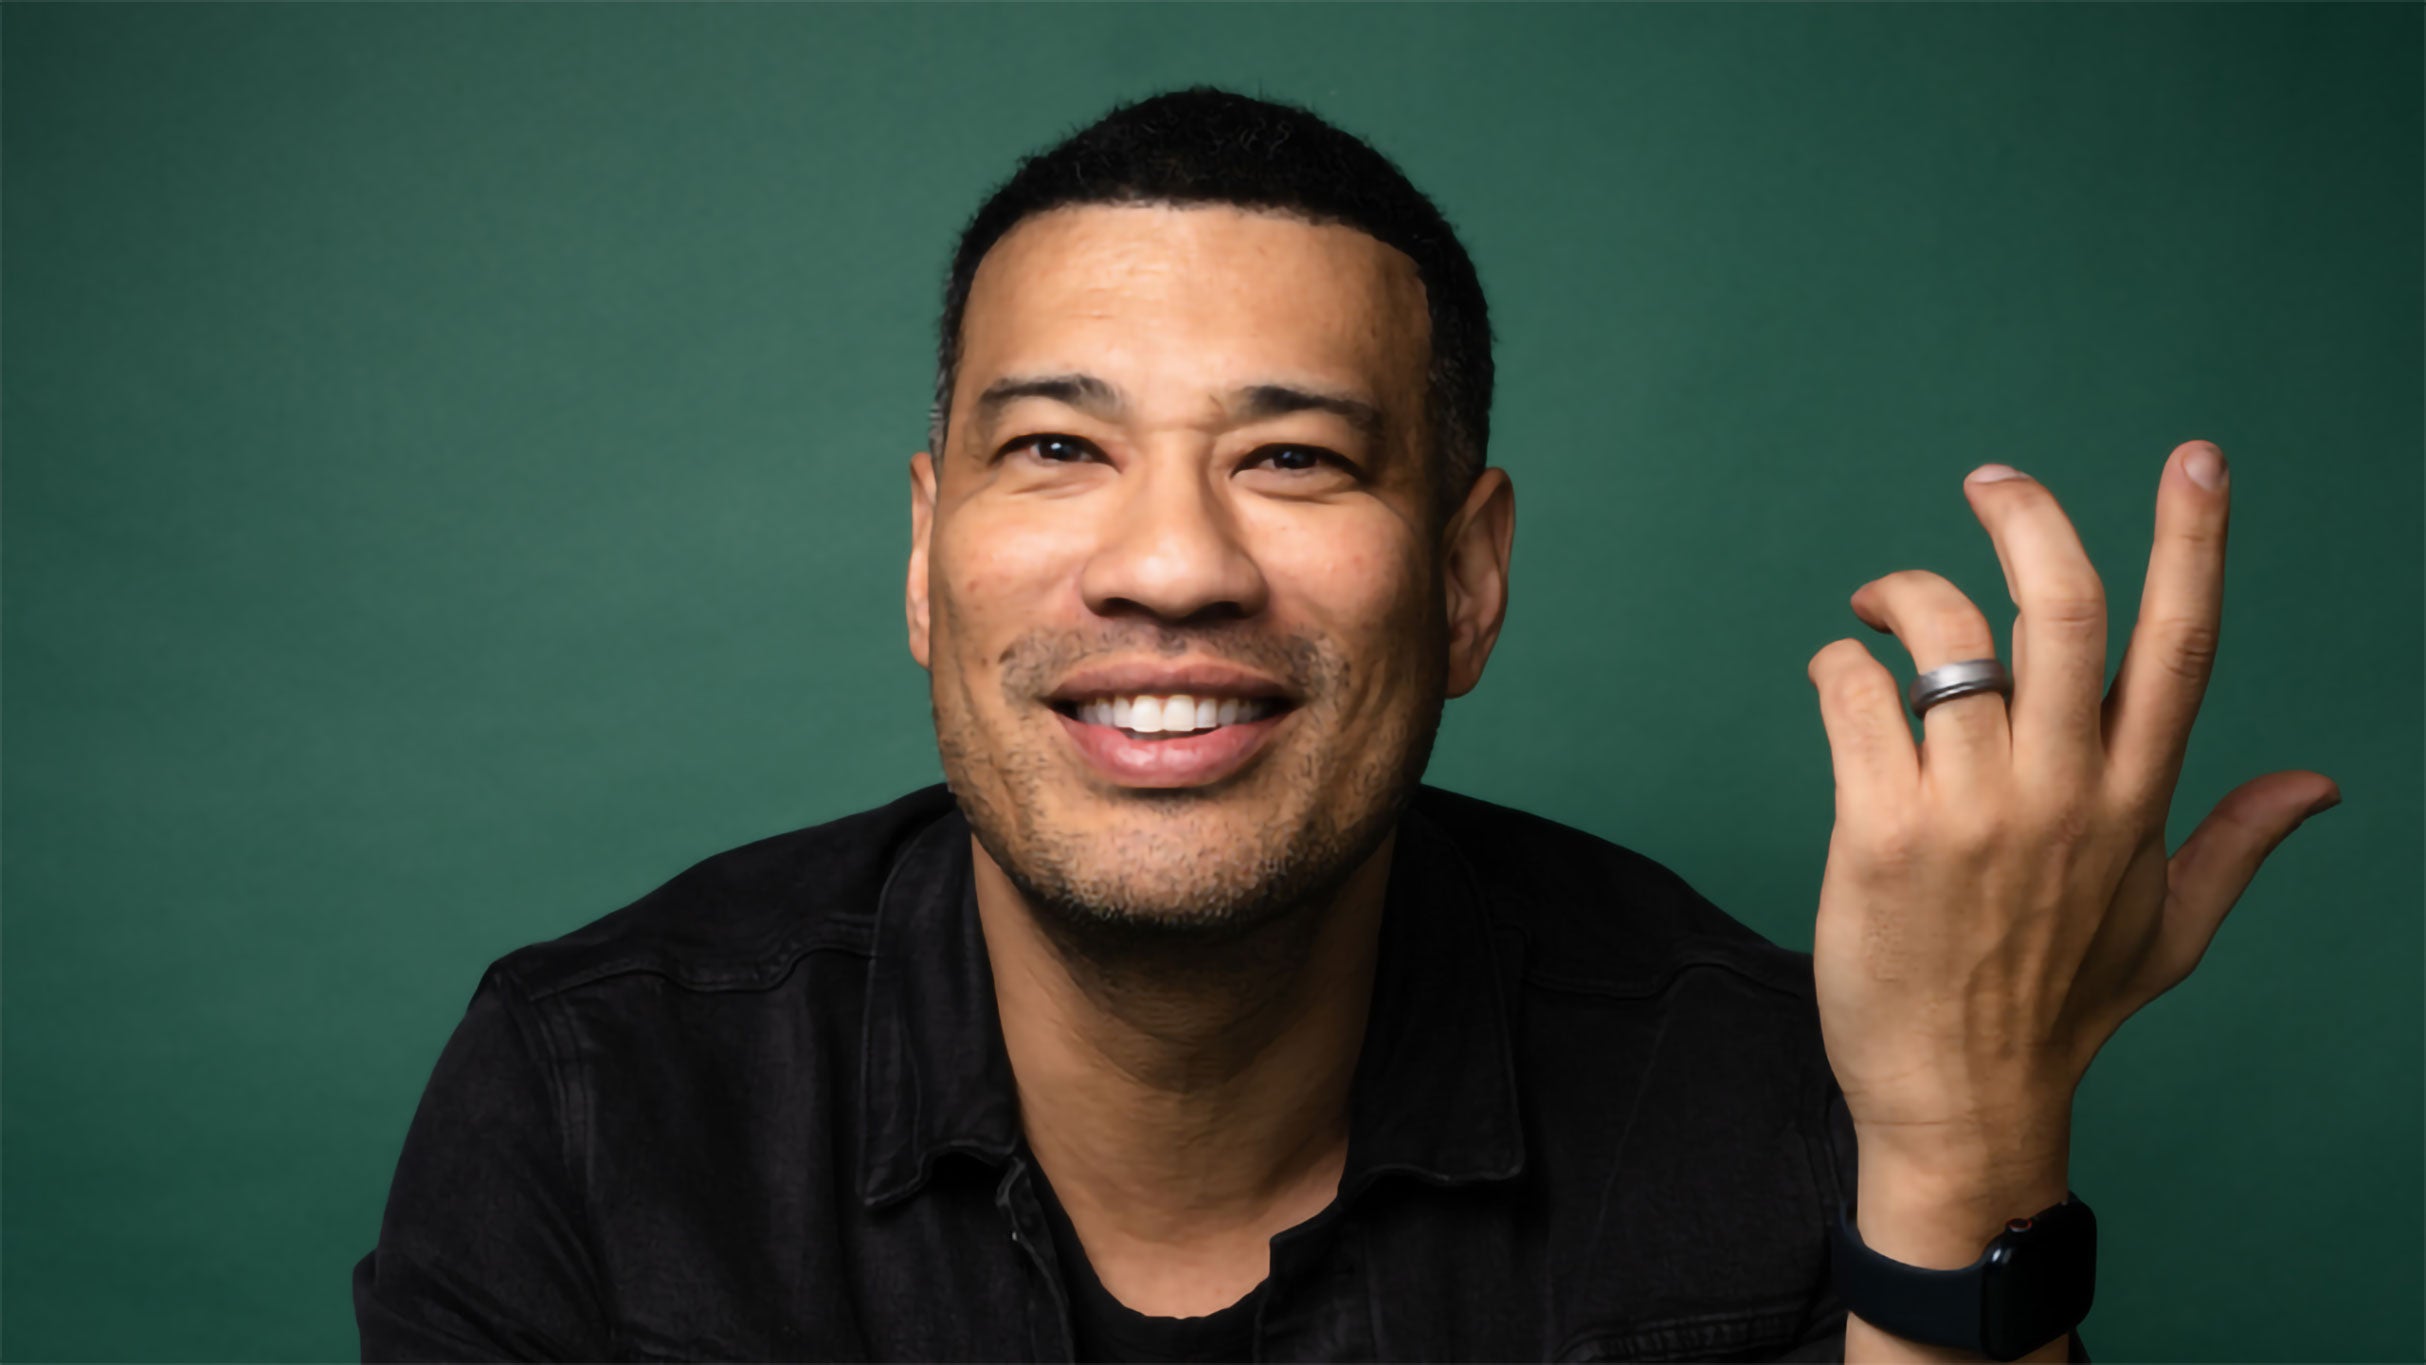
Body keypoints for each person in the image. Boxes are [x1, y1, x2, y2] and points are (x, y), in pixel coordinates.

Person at [354, 85, 2337, 1363]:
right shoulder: (595, 1095)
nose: (1169, 565)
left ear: (1465, 577)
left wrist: (1966, 1137)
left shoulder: (1772, 1098)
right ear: (924, 552)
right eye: (1055, 448)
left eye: (1293, 457)